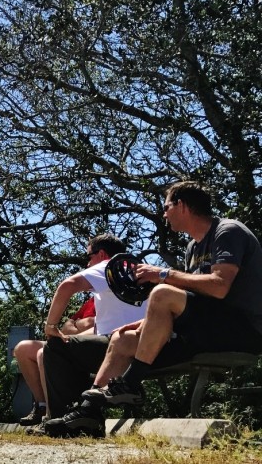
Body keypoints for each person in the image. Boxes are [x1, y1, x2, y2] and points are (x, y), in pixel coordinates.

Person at [54, 181, 262, 433]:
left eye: (166, 207)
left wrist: (162, 274)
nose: (164, 215)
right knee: (123, 338)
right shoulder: (192, 247)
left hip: (239, 331)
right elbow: (188, 299)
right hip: (202, 331)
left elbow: (219, 287)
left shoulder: (228, 231)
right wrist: (146, 322)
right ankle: (87, 412)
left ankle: (129, 383)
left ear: (182, 205)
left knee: (162, 292)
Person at [14, 233, 146, 431]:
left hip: (119, 348)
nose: (87, 264)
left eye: (88, 257)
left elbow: (67, 286)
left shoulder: (111, 265)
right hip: (148, 347)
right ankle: (79, 414)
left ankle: (63, 419)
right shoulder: (142, 269)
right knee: (65, 347)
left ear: (101, 254)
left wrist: (50, 327)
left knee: (55, 347)